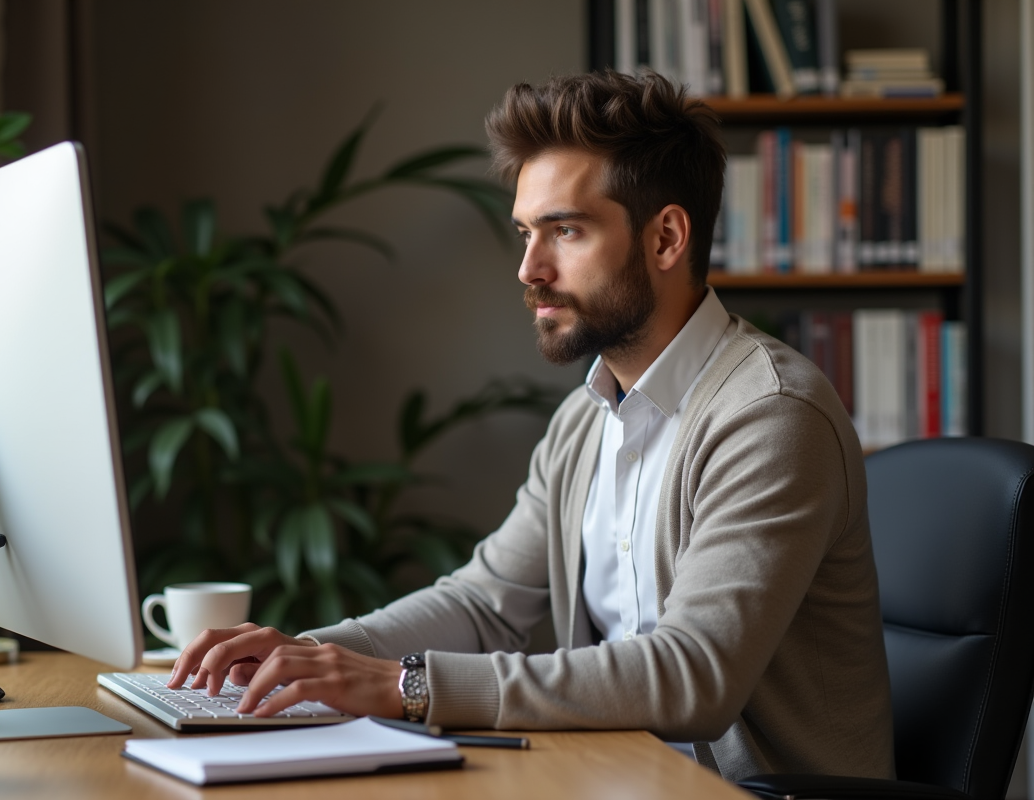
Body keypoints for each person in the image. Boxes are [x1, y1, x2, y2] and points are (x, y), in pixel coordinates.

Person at [167, 70, 894, 782]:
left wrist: (405, 686)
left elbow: (692, 676)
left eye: (565, 231)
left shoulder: (769, 415)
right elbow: (483, 604)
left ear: (666, 238)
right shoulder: (586, 420)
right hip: (618, 777)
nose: (528, 268)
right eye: (524, 233)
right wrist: (304, 656)